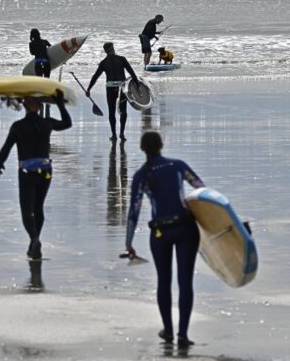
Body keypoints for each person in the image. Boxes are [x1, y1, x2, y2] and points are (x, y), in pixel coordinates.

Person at [125, 131, 205, 349]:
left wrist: (129, 241)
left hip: (160, 232)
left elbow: (134, 209)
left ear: (142, 148)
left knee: (163, 281)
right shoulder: (178, 165)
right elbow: (201, 189)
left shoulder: (141, 175)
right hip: (186, 228)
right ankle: (183, 334)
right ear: (162, 145)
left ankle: (168, 330)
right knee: (185, 282)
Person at [0, 90, 72, 260]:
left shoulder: (18, 126)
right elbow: (67, 123)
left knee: (27, 210)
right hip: (45, 172)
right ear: (40, 105)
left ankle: (34, 239)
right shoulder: (47, 123)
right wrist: (59, 103)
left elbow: (6, 148)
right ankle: (34, 241)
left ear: (24, 104)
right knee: (38, 208)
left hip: (27, 172)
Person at [86, 42, 139, 141]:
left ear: (105, 51)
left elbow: (95, 76)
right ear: (113, 48)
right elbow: (131, 72)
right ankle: (122, 134)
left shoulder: (104, 62)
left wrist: (89, 89)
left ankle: (114, 135)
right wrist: (137, 84)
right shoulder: (122, 59)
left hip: (110, 88)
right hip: (122, 87)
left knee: (111, 111)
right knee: (123, 110)